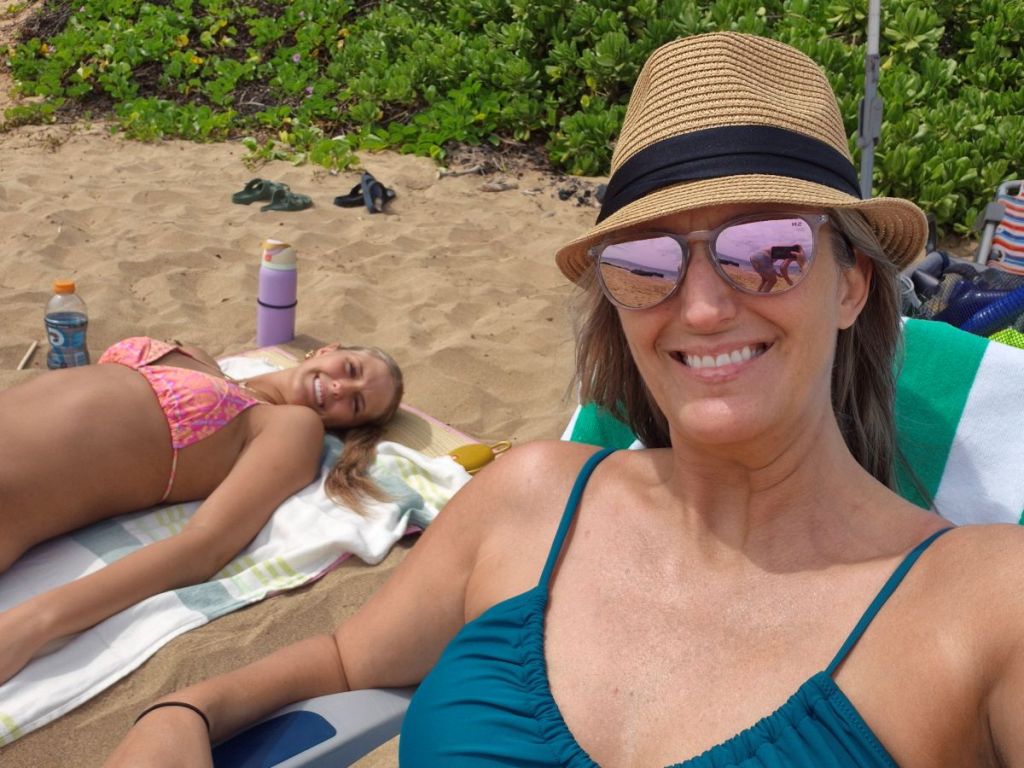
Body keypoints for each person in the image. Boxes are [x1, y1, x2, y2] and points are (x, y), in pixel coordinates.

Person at [107, 33, 1024, 767]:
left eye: (768, 249)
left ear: (853, 284)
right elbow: (348, 659)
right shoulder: (532, 498)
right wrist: (182, 711)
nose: (702, 307)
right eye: (646, 263)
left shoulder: (984, 603)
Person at [0, 336, 403, 685]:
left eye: (355, 403)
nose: (338, 388)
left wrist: (34, 624)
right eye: (349, 369)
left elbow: (205, 545)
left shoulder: (290, 426)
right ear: (326, 349)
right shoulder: (196, 357)